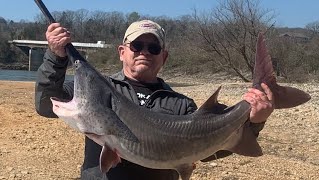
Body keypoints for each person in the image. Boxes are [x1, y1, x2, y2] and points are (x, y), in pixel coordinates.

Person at [35, 19, 274, 180]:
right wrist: (56, 57)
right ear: (122, 52)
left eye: (153, 48)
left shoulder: (181, 106)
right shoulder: (99, 89)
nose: (144, 52)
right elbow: (45, 104)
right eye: (137, 45)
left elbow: (210, 149)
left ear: (164, 57)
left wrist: (254, 121)